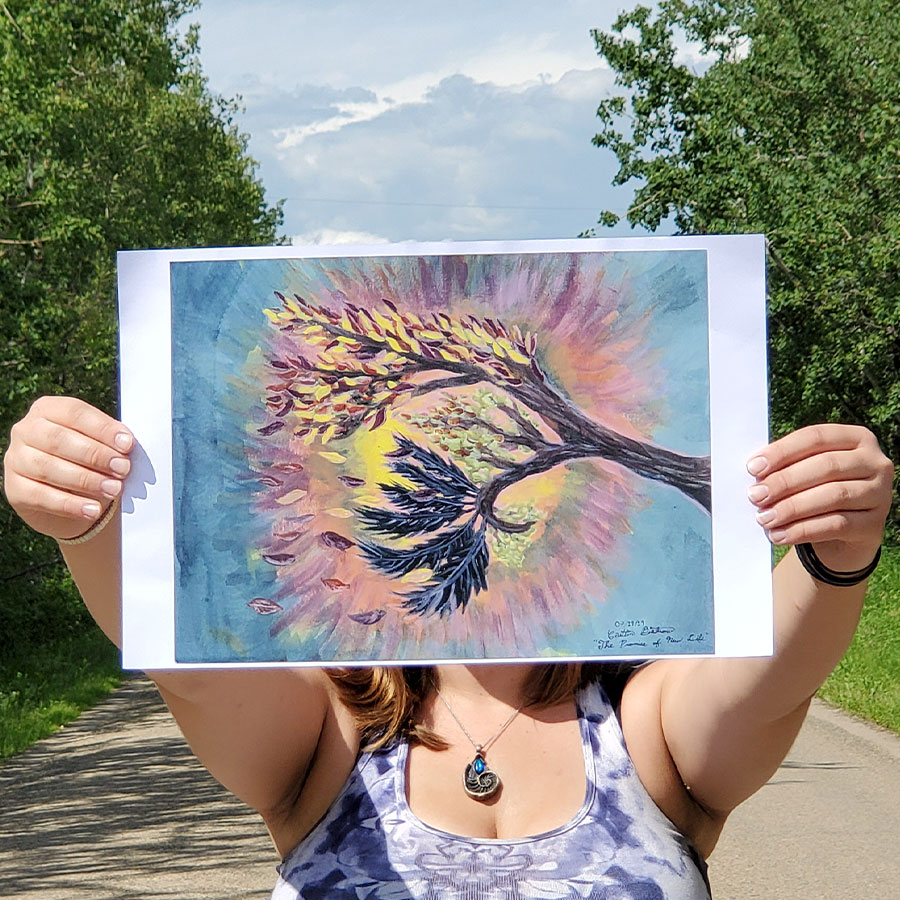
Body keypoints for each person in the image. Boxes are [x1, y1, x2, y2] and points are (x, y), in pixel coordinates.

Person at [3, 395, 893, 899]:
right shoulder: (333, 728)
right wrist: (85, 524)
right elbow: (189, 668)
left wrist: (834, 550)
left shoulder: (641, 720)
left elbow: (771, 680)